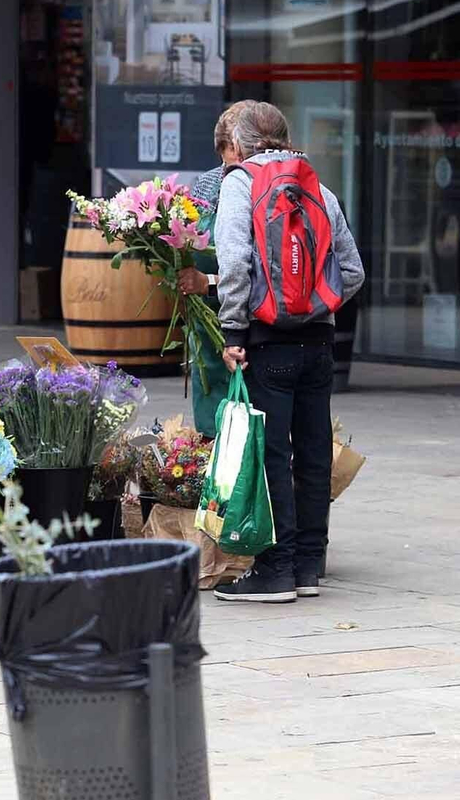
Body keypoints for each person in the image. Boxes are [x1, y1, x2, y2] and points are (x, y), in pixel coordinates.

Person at [211, 103, 364, 605]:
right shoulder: (317, 185)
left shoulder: (241, 184)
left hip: (267, 341)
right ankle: (308, 568)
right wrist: (316, 303)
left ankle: (275, 571)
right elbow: (354, 270)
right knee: (314, 452)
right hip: (320, 344)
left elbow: (234, 263)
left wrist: (234, 329)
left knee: (271, 452)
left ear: (238, 145)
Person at [176, 100, 257, 436]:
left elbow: (259, 272)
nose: (230, 171)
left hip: (250, 326)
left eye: (235, 157)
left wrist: (207, 281)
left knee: (249, 424)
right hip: (208, 331)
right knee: (212, 427)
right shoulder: (207, 185)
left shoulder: (265, 190)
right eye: (225, 160)